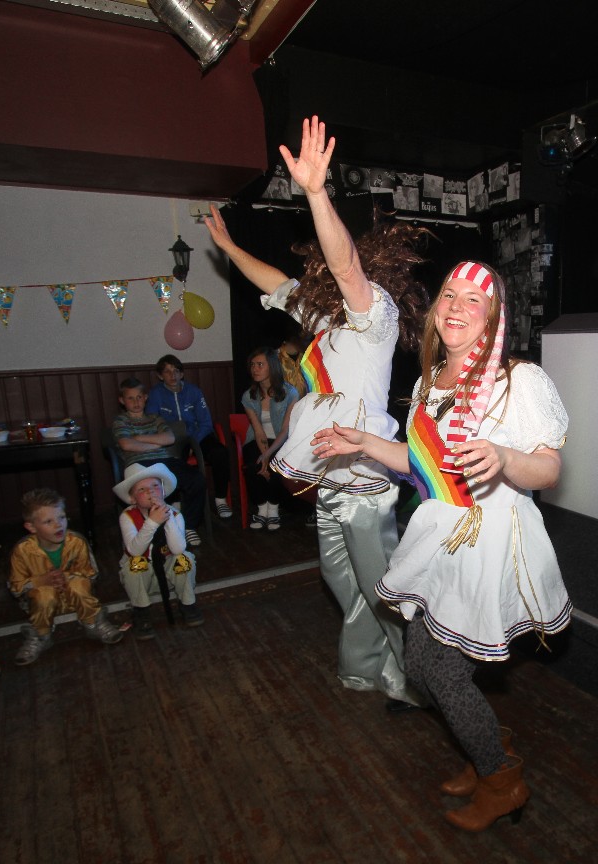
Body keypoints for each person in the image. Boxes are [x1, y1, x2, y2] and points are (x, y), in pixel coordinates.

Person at [313, 260, 571, 831]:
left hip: (490, 539)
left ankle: (501, 781)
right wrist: (363, 443)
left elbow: (549, 468)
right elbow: (421, 465)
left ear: (493, 317)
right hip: (441, 535)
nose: (457, 306)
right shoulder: (429, 383)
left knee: (444, 674)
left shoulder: (517, 380)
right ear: (435, 311)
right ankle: (488, 751)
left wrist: (505, 458)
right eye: (449, 295)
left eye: (473, 299)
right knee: (422, 666)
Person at [201, 116, 430, 708]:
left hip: (363, 467)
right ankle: (368, 666)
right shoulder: (325, 320)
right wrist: (228, 248)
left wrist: (316, 193)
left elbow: (347, 266)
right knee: (339, 577)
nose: (326, 268)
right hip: (329, 470)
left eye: (336, 260)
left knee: (381, 584)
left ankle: (416, 679)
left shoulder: (376, 313)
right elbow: (278, 282)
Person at [8, 487, 124, 665]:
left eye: (61, 517)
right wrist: (41, 581)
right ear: (31, 527)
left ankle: (93, 623)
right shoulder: (22, 550)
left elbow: (91, 573)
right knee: (44, 594)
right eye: (48, 521)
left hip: (74, 595)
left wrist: (67, 576)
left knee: (79, 584)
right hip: (43, 602)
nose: (58, 525)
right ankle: (41, 635)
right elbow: (16, 587)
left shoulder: (76, 542)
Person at [112, 377, 206, 547]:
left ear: (145, 397)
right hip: (139, 464)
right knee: (150, 489)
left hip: (164, 460)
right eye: (130, 398)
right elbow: (126, 444)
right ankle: (156, 530)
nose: (136, 402)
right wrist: (155, 443)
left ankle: (189, 526)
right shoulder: (121, 421)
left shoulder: (155, 418)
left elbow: (169, 438)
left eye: (139, 397)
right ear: (122, 400)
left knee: (196, 479)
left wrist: (138, 438)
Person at [114, 462, 202, 638]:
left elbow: (178, 548)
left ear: (163, 490)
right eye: (142, 489)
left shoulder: (175, 514)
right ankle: (141, 611)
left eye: (155, 485)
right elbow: (135, 551)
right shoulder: (127, 517)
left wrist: (166, 518)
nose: (150, 492)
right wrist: (152, 522)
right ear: (132, 498)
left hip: (169, 575)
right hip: (143, 578)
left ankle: (187, 603)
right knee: (135, 563)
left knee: (184, 558)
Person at [144, 354, 234, 520]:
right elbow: (152, 422)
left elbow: (206, 422)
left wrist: (195, 443)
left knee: (220, 453)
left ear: (182, 374)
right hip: (173, 439)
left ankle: (221, 499)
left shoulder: (194, 391)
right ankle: (175, 502)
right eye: (167, 372)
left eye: (176, 371)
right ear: (160, 376)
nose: (173, 375)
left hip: (198, 435)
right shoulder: (156, 394)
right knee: (172, 461)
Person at [240, 346, 299, 530]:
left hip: (282, 441)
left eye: (260, 364)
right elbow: (258, 431)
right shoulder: (249, 396)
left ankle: (273, 509)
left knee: (276, 463)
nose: (255, 369)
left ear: (272, 367)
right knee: (254, 463)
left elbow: (285, 430)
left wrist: (268, 455)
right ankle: (261, 508)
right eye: (252, 365)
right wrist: (263, 455)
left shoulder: (290, 393)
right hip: (259, 440)